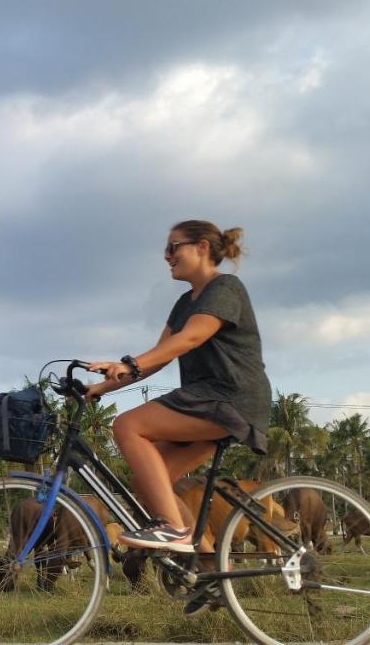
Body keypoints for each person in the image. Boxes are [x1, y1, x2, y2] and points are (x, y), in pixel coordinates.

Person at [86, 220, 270, 556]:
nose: (167, 256)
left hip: (229, 397)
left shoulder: (225, 288)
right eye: (165, 250)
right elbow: (159, 358)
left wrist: (129, 363)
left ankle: (175, 530)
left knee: (128, 425)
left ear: (201, 247)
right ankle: (208, 566)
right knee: (148, 482)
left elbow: (192, 337)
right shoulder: (185, 303)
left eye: (173, 247)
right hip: (206, 402)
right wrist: (101, 388)